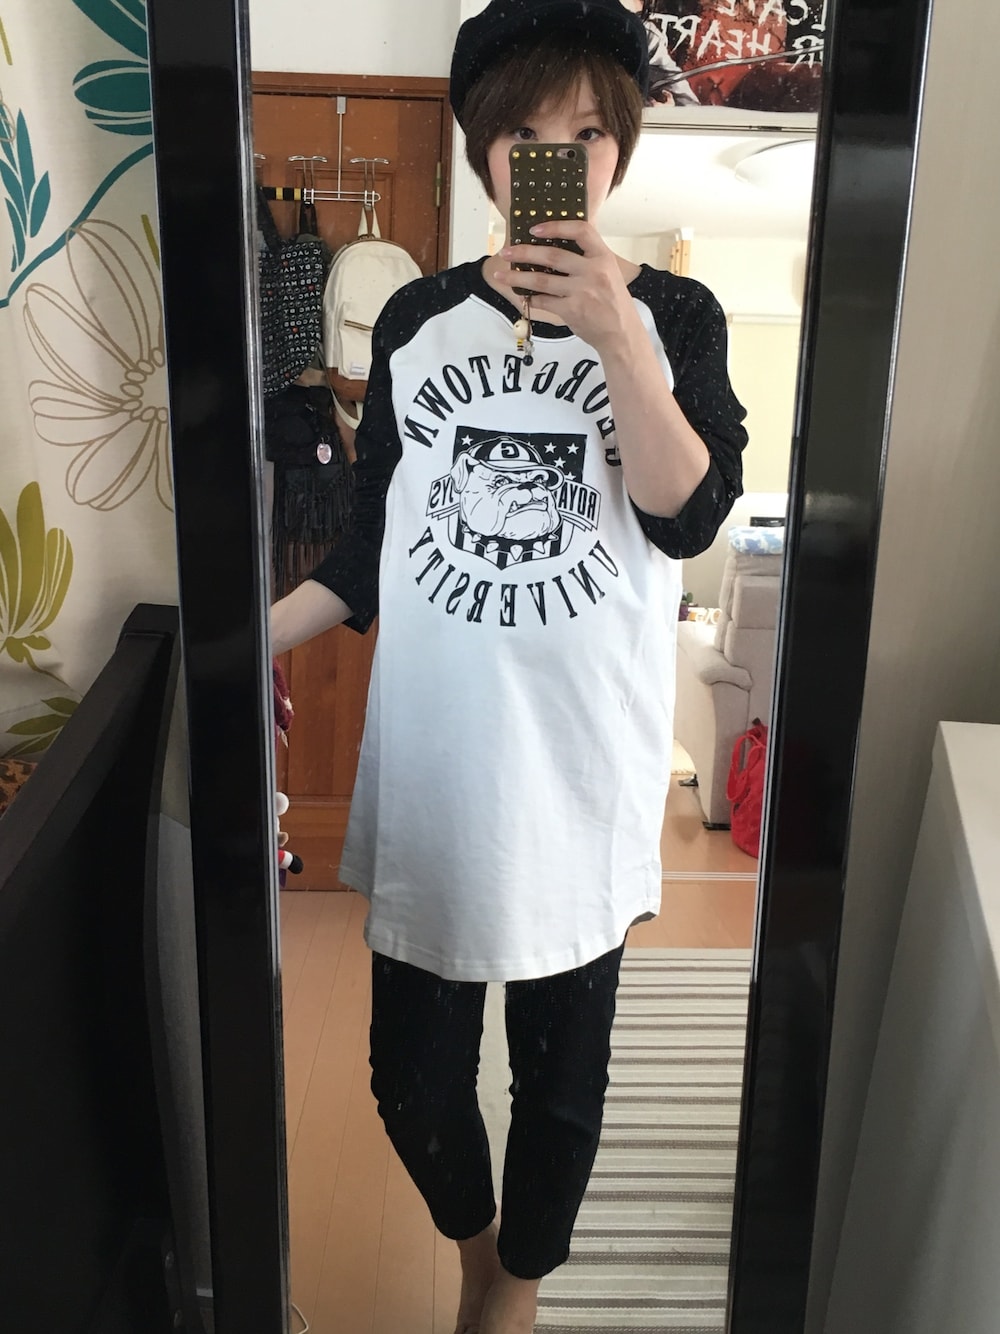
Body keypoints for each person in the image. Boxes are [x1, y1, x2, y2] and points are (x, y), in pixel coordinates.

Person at [270, 1, 747, 1330]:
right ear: (485, 150)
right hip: (438, 765)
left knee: (563, 1086)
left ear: (620, 152)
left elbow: (690, 516)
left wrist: (617, 334)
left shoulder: (677, 315)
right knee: (411, 1080)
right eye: (528, 134)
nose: (559, 160)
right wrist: (238, 639)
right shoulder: (417, 319)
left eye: (587, 135)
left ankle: (513, 1292)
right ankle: (485, 1252)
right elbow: (369, 553)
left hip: (581, 770)